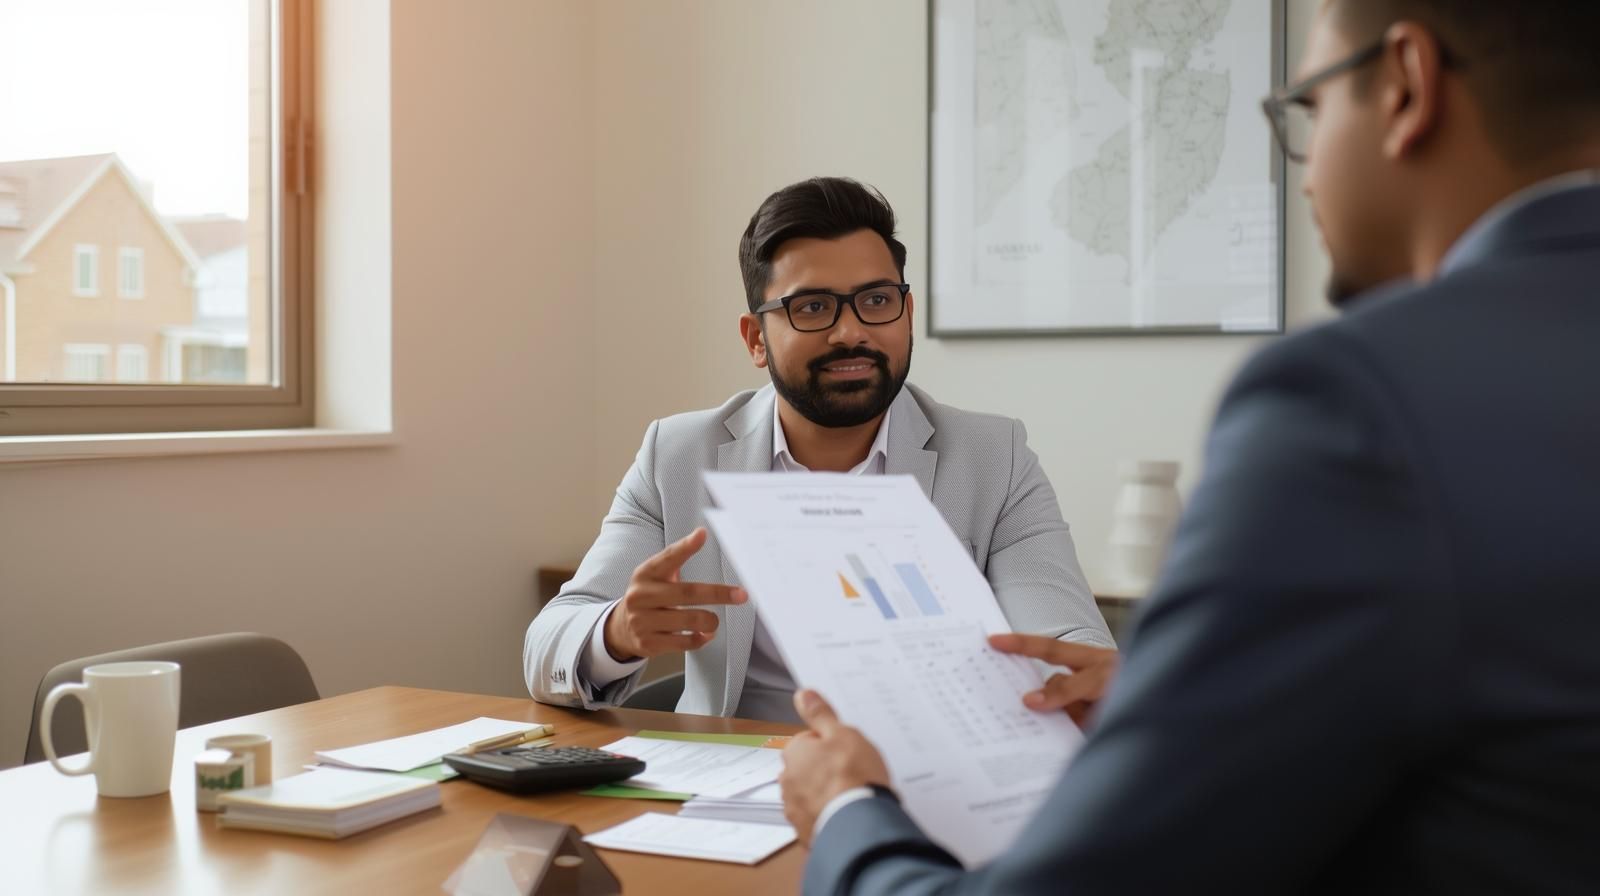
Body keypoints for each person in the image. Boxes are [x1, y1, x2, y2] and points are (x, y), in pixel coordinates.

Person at [781, 1, 1600, 891]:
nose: (1310, 175)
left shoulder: (1353, 397)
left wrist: (845, 816)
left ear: (1407, 84)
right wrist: (1162, 699)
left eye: (1311, 111)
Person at [523, 177, 1113, 723]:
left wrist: (1074, 680)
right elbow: (548, 643)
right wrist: (617, 632)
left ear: (907, 314)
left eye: (876, 301)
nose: (851, 331)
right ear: (756, 339)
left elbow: (1065, 639)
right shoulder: (678, 454)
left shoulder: (992, 457)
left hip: (920, 791)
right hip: (729, 788)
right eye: (812, 308)